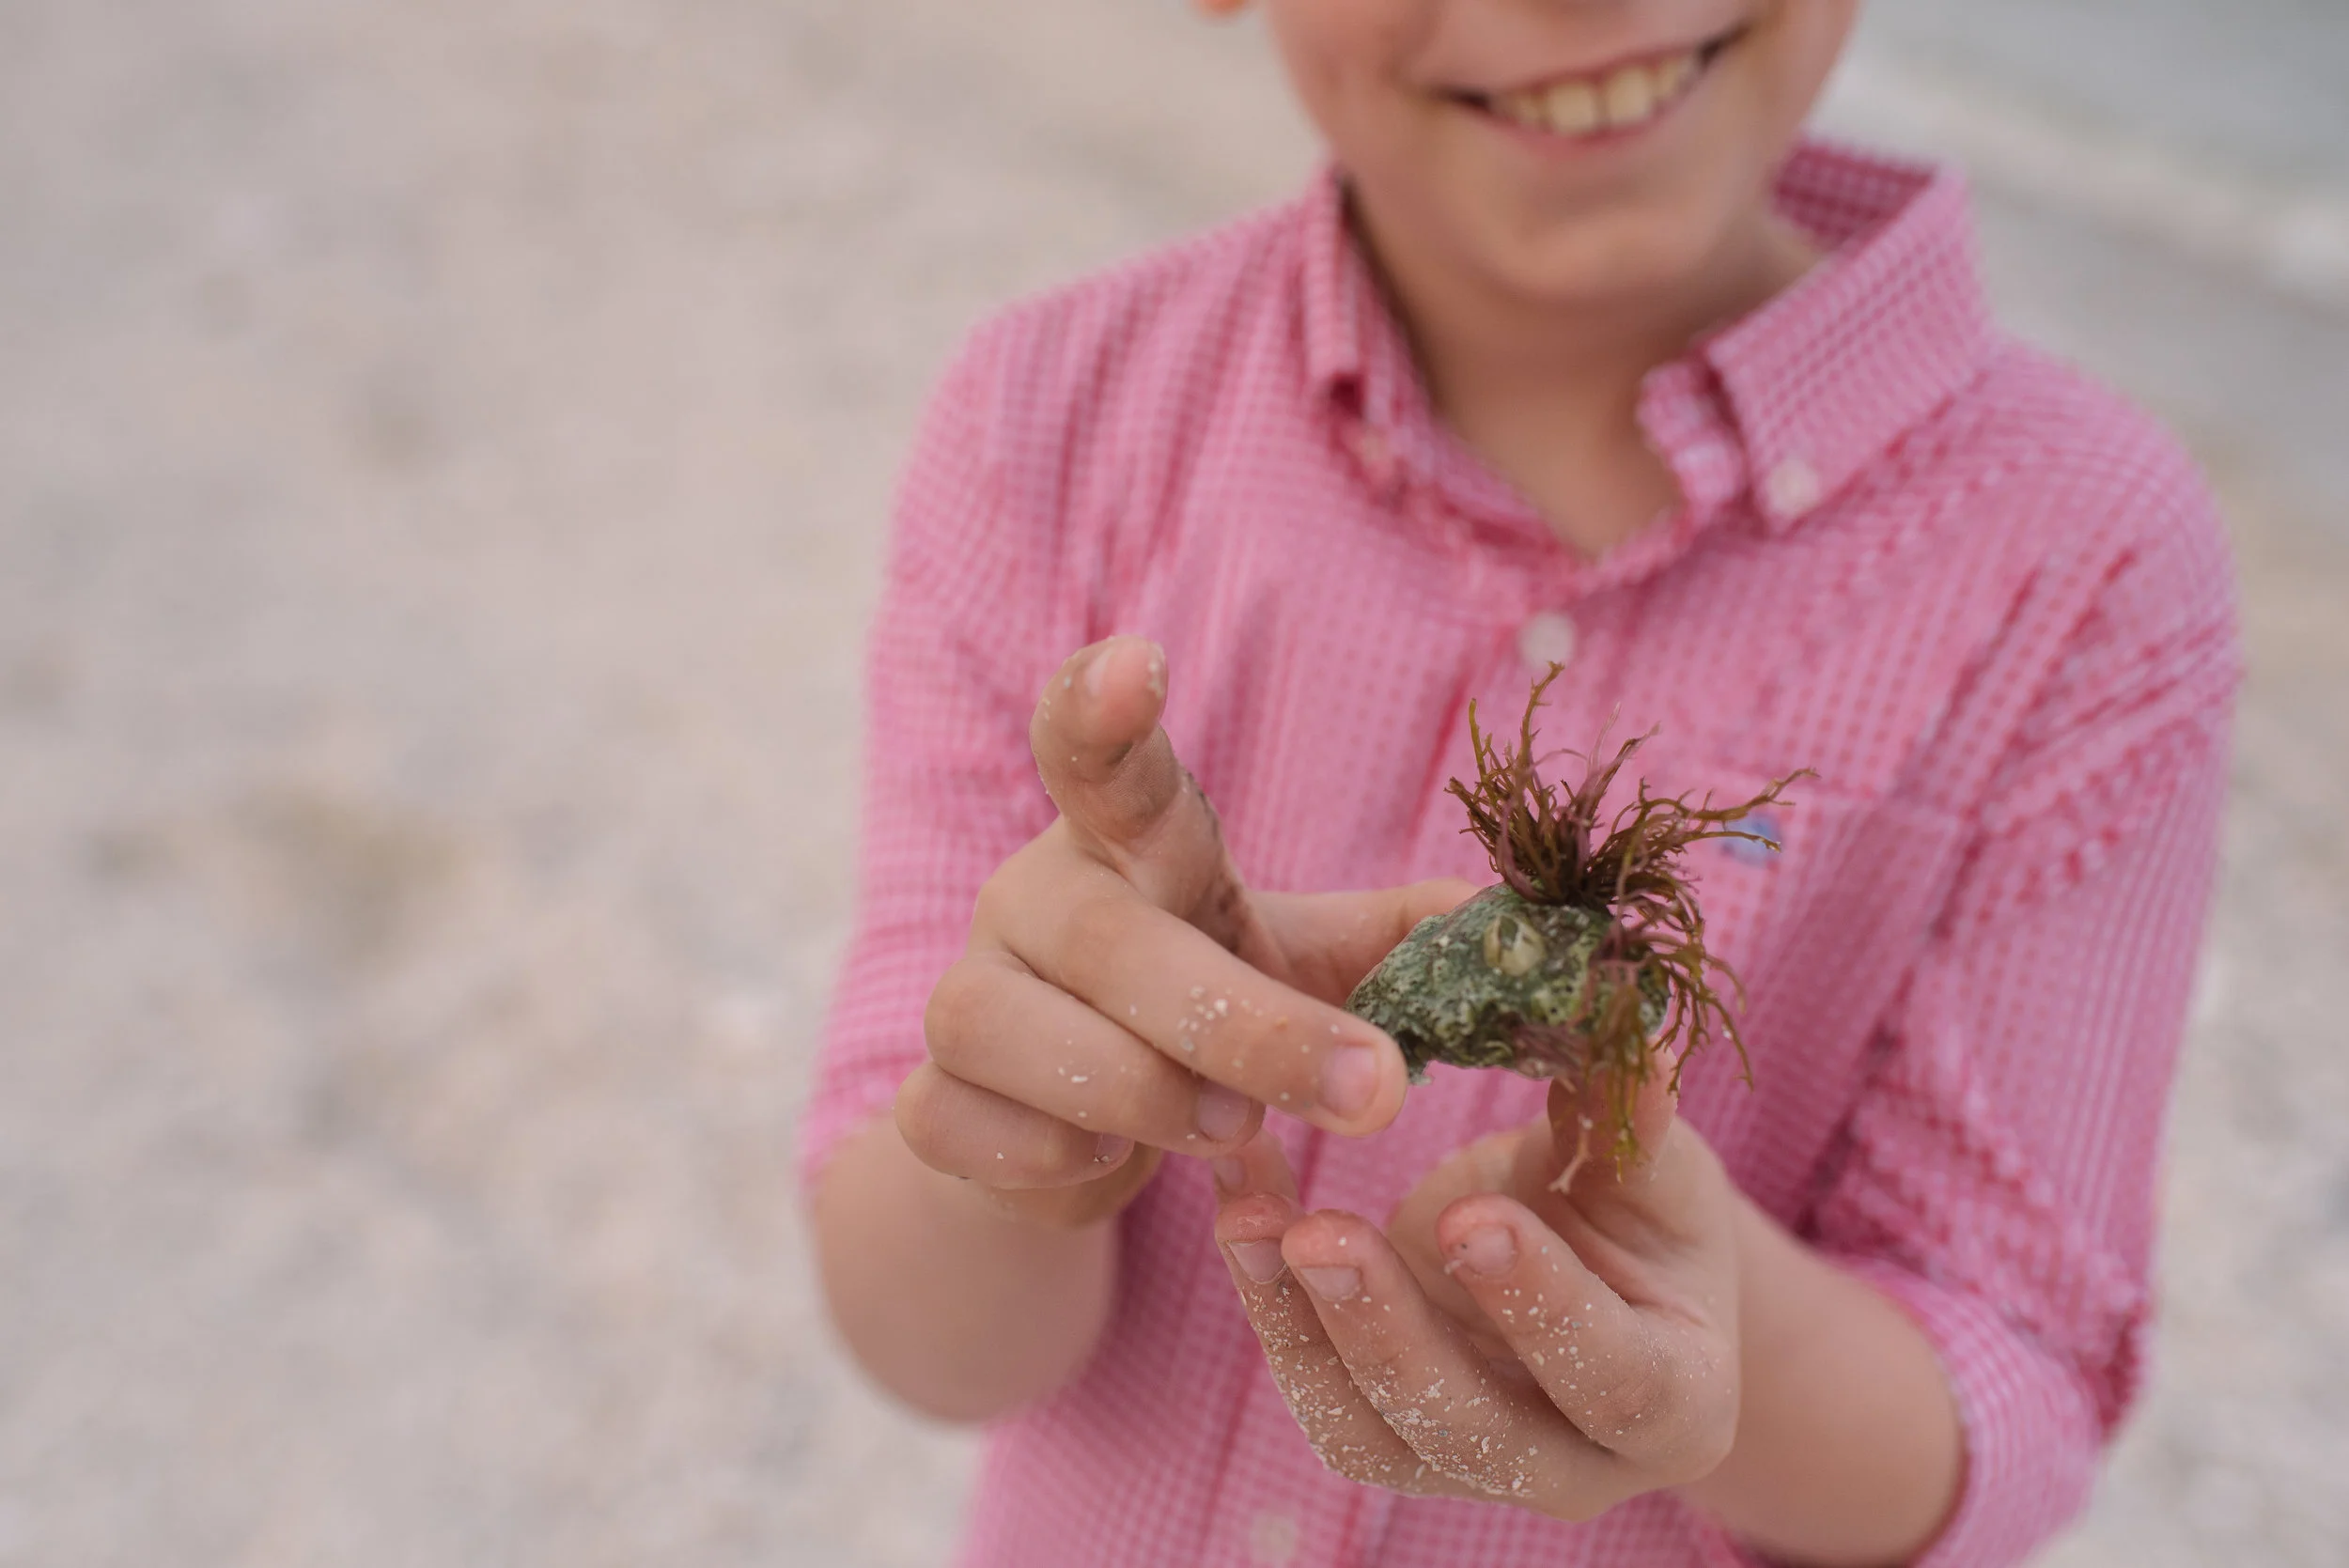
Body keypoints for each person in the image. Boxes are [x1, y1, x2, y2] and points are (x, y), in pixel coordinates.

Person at [802, 1, 2241, 1563]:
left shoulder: (2090, 564)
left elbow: (2015, 1400)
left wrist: (1722, 1352)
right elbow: (924, 1335)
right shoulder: (1051, 416)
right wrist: (1027, 1141)